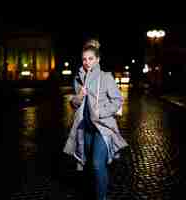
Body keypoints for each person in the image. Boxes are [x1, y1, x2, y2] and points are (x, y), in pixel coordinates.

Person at [63, 39, 128, 200]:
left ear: (97, 59)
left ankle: (102, 197)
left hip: (102, 127)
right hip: (85, 128)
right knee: (89, 166)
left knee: (98, 164)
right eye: (84, 59)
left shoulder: (106, 77)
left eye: (90, 58)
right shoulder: (79, 78)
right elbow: (74, 104)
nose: (87, 62)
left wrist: (101, 112)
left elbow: (118, 100)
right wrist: (78, 96)